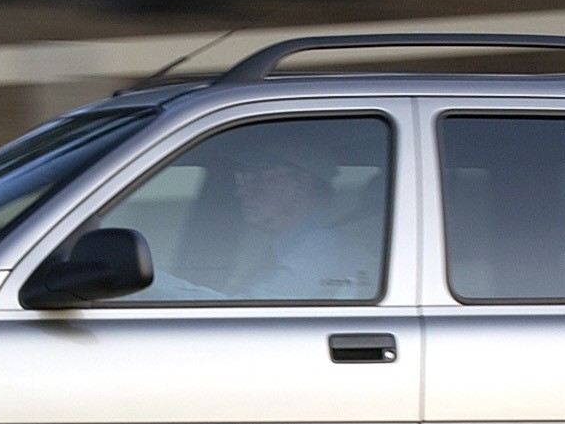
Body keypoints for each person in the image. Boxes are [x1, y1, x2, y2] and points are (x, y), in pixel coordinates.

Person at [124, 128, 377, 302]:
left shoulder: (323, 250)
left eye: (257, 178)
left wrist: (148, 283)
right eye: (242, 178)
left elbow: (238, 314)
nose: (241, 189)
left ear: (302, 183)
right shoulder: (294, 248)